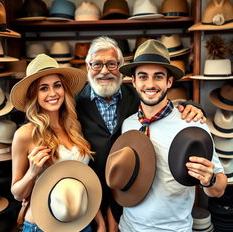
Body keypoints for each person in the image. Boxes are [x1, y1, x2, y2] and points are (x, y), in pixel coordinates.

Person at [108, 39, 227, 232]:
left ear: (169, 82)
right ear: (133, 81)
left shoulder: (191, 124)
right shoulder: (129, 124)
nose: (150, 84)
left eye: (158, 76)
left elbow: (218, 188)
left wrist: (208, 179)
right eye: (143, 76)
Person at [76, 36, 206, 221]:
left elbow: (160, 102)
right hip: (89, 203)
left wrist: (192, 106)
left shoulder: (136, 96)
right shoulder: (74, 104)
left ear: (121, 67)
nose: (104, 71)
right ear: (87, 68)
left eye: (112, 64)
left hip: (131, 200)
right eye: (97, 64)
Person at [10, 54, 108, 232]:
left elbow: (84, 181)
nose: (52, 93)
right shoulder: (25, 135)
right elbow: (17, 193)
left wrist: (100, 224)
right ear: (33, 95)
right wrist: (32, 172)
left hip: (81, 229)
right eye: (43, 88)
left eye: (57, 85)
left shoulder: (75, 127)